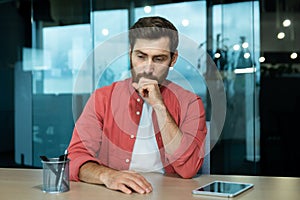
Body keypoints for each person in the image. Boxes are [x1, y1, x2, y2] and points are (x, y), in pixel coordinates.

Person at [67, 16, 207, 194]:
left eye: (159, 59)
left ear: (173, 59)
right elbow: (75, 157)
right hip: (115, 194)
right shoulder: (102, 98)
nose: (148, 68)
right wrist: (108, 176)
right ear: (130, 53)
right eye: (141, 56)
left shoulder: (190, 103)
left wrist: (159, 106)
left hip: (170, 194)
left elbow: (188, 169)